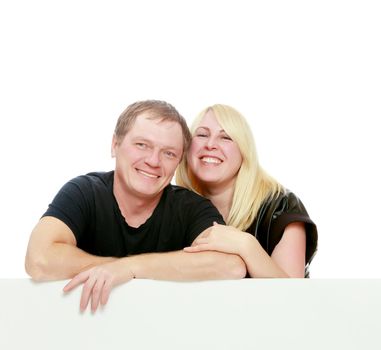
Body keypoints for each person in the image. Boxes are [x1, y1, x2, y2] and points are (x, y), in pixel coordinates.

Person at [25, 100, 246, 312]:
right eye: (142, 145)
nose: (153, 161)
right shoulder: (84, 192)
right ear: (115, 145)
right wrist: (119, 266)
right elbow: (39, 260)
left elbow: (231, 266)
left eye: (168, 153)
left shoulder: (191, 207)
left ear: (178, 162)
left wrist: (130, 269)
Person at [176, 104, 318, 278]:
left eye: (225, 137)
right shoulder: (175, 207)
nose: (210, 144)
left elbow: (293, 296)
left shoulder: (282, 207)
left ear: (244, 150)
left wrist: (246, 245)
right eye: (202, 135)